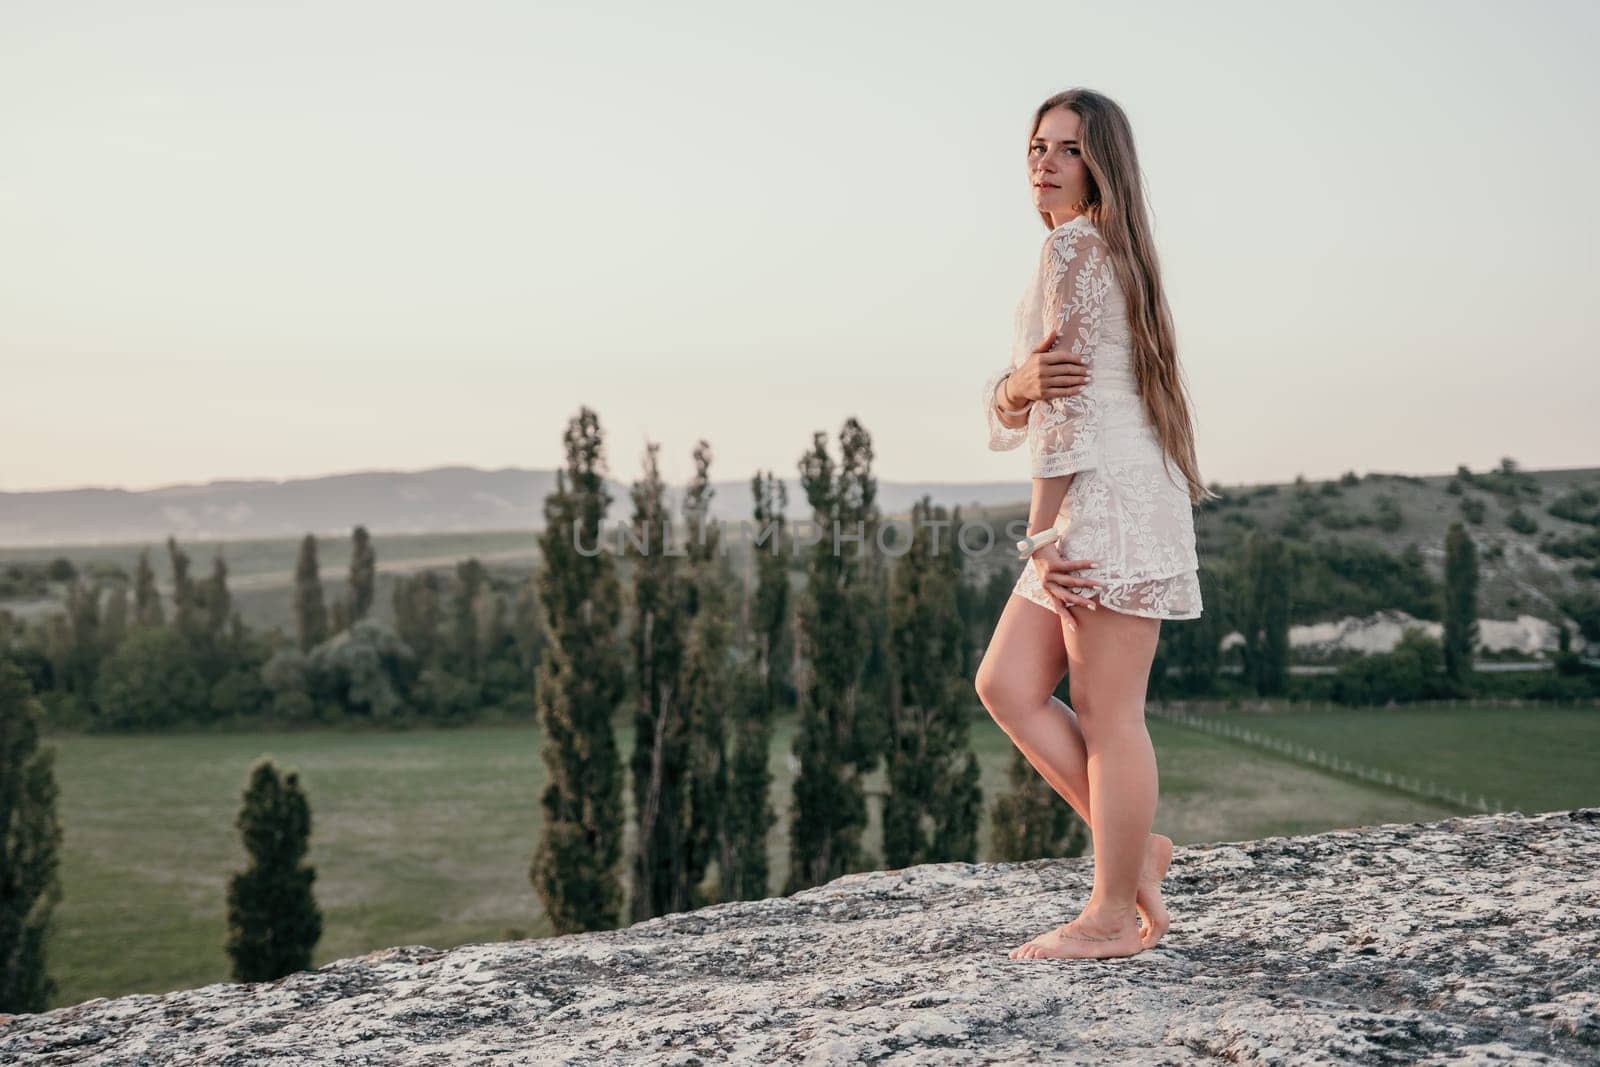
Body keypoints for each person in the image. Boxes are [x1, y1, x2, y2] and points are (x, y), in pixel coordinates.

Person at [975, 88, 1215, 960]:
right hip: (1102, 496)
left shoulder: (1077, 251)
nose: (1044, 161)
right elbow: (1027, 398)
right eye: (1038, 145)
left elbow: (1064, 413)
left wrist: (1043, 533)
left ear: (1100, 166)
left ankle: (1113, 912)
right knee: (1006, 681)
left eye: (1068, 148)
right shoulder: (1088, 252)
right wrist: (1015, 387)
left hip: (1099, 502)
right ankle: (1137, 847)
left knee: (1110, 716)